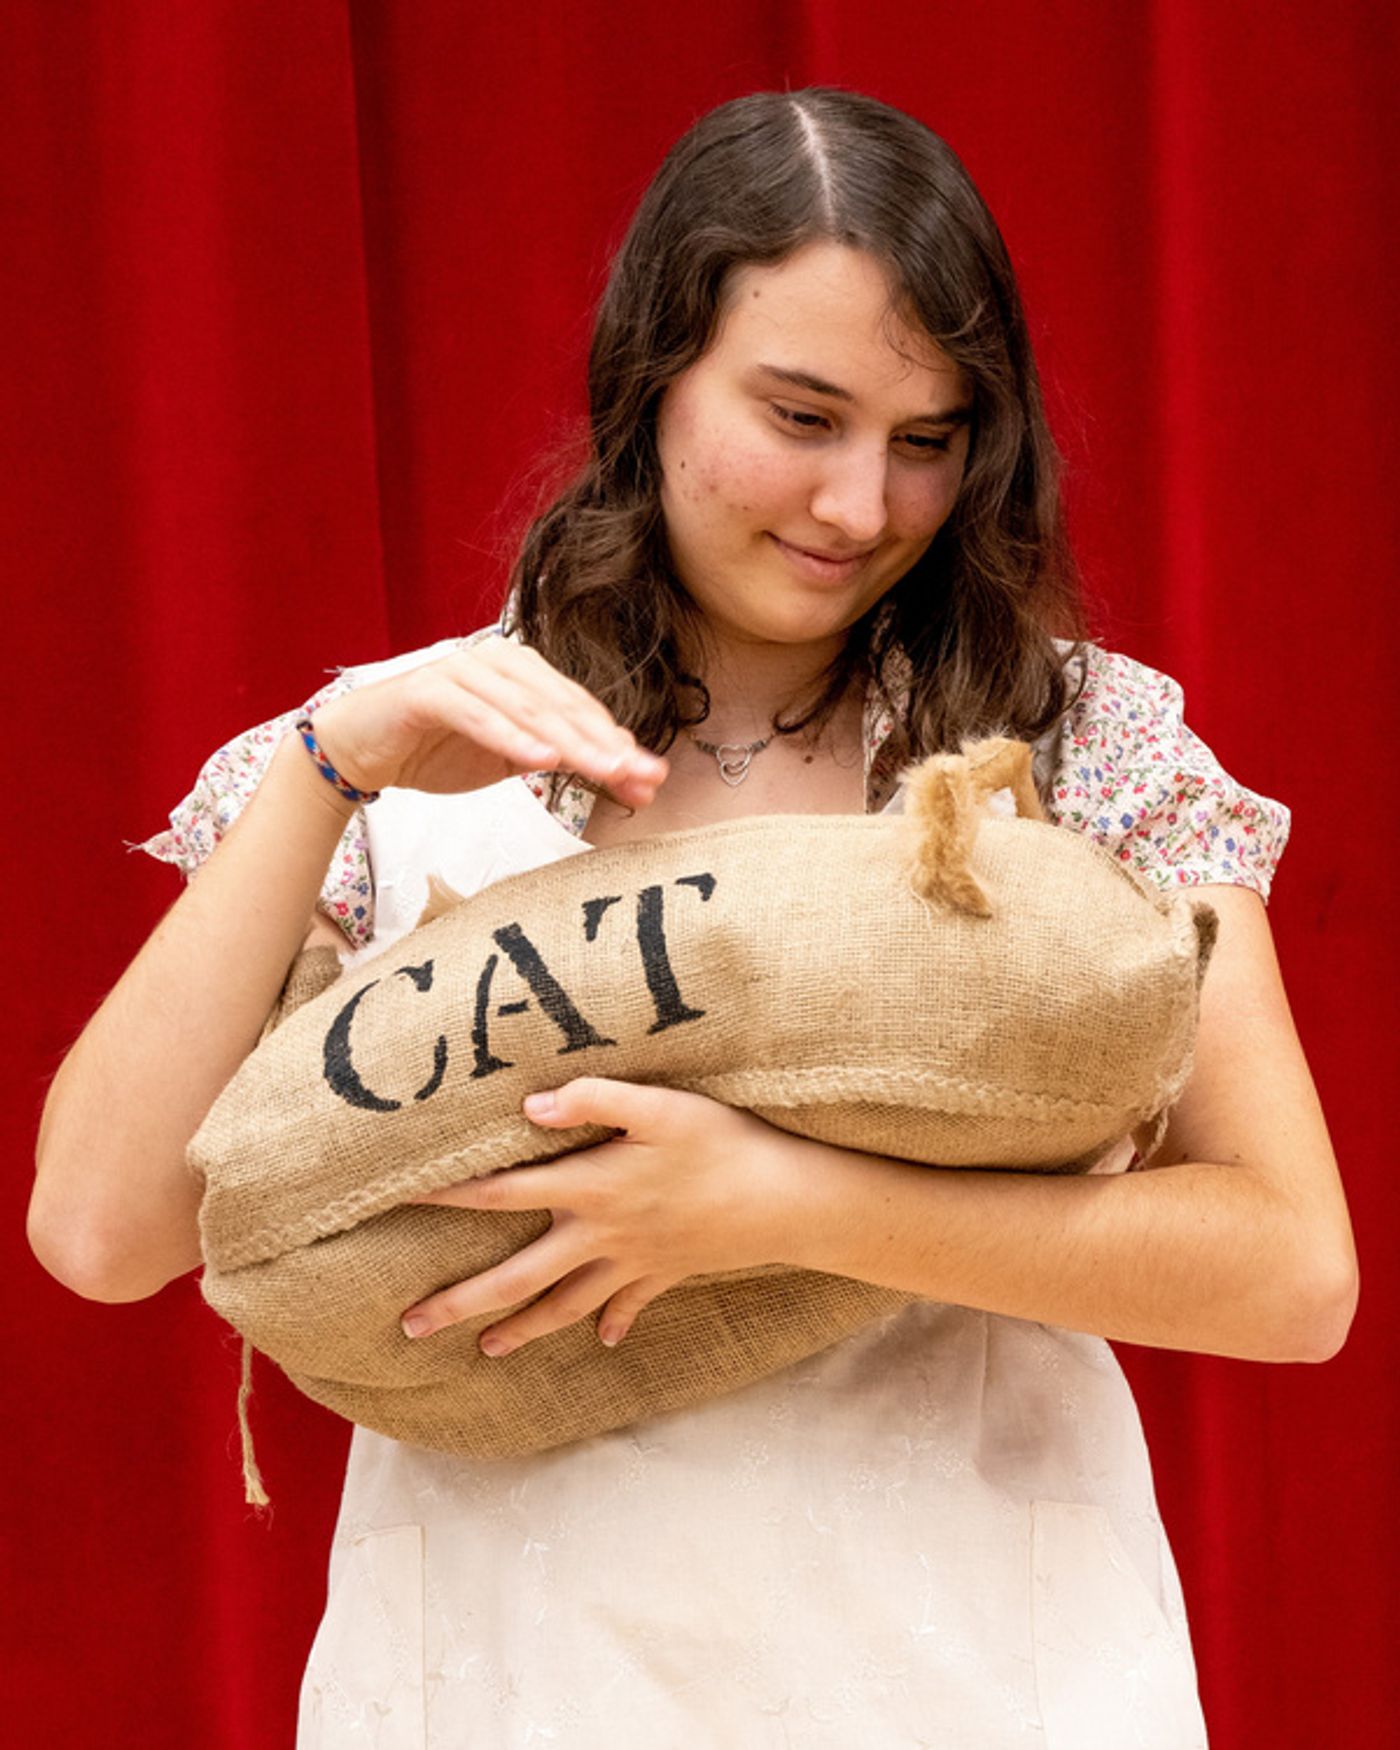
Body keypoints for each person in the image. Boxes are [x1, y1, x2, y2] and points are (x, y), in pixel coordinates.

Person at [31, 87, 1356, 1748]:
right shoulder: (415, 752)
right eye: (800, 415)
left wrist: (784, 1203)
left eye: (929, 440)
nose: (861, 507)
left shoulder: (1072, 745)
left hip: (977, 1674)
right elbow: (101, 1228)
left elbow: (1293, 1272)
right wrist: (327, 765)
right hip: (506, 1677)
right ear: (650, 373)